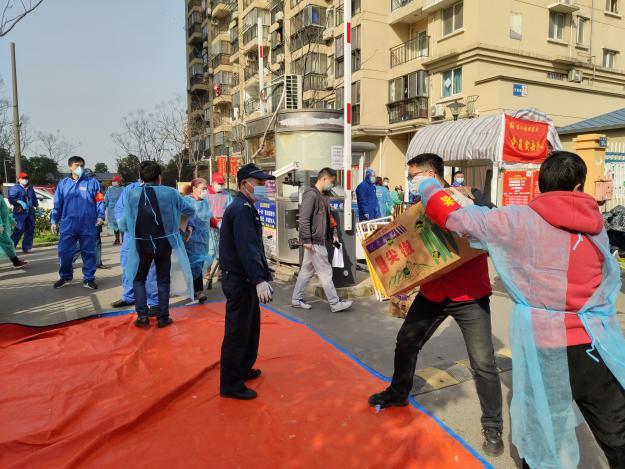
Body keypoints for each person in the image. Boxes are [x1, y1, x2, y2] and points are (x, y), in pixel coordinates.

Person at [414, 151, 625, 469]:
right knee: (616, 432)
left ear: (541, 186)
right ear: (579, 188)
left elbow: (453, 218)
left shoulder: (514, 221)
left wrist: (428, 184)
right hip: (596, 347)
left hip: (544, 350)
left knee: (541, 437)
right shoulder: (596, 227)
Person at [368, 153, 504, 457]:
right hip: (433, 292)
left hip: (470, 296)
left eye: (415, 176)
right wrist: (400, 287)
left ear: (431, 173)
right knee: (406, 341)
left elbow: (492, 226)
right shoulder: (420, 208)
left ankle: (493, 426)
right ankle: (398, 392)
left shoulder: (467, 200)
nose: (413, 182)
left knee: (483, 363)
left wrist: (480, 200)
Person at [219, 163, 275, 400]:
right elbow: (247, 249)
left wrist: (263, 273)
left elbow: (254, 247)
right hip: (240, 280)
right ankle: (231, 383)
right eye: (259, 183)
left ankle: (243, 367)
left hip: (245, 279)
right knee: (237, 331)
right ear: (244, 184)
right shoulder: (241, 209)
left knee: (250, 328)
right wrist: (259, 278)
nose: (263, 187)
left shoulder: (246, 206)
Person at [119, 160, 195, 329]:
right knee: (163, 279)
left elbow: (123, 224)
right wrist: (179, 224)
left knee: (138, 279)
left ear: (140, 177)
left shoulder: (132, 194)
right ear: (159, 177)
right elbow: (190, 210)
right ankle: (163, 317)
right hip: (165, 242)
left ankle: (142, 317)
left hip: (141, 244)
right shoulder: (171, 193)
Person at [291, 168, 353, 313]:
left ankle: (296, 299)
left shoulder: (322, 195)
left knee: (306, 271)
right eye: (331, 181)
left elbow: (327, 218)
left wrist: (334, 234)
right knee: (325, 272)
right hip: (314, 241)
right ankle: (334, 303)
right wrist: (307, 239)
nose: (332, 185)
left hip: (315, 240)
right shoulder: (311, 195)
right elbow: (304, 218)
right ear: (324, 179)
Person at [51, 156, 105, 289]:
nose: (79, 168)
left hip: (88, 223)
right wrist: (54, 220)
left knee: (89, 252)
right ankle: (65, 276)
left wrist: (101, 216)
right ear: (70, 167)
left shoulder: (92, 182)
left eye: (82, 165)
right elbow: (57, 204)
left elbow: (100, 200)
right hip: (68, 223)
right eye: (76, 165)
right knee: (64, 252)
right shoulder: (63, 184)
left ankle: (89, 278)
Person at [111, 177, 159, 313]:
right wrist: (125, 224)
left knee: (151, 269)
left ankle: (154, 302)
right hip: (131, 235)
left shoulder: (160, 190)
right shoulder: (130, 189)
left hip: (150, 235)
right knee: (128, 266)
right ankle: (129, 296)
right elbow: (119, 209)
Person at [183, 178, 215, 304]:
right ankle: (195, 290)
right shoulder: (186, 201)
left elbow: (210, 217)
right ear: (194, 189)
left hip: (203, 238)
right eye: (203, 188)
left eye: (206, 188)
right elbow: (181, 217)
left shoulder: (206, 202)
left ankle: (197, 290)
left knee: (200, 263)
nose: (205, 191)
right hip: (189, 239)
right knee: (191, 264)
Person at [0, 177, 27, 268]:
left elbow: (4, 212)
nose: (2, 187)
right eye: (1, 185)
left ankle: (15, 261)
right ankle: (15, 261)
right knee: (8, 243)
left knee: (7, 244)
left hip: (2, 225)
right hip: (1, 227)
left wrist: (12, 221)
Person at [8, 172, 38, 254]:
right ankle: (11, 247)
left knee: (30, 230)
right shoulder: (15, 188)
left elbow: (34, 198)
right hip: (20, 212)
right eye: (23, 178)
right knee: (19, 229)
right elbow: (11, 198)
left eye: (26, 178)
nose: (25, 179)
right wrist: (19, 201)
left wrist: (37, 206)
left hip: (30, 212)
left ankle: (27, 247)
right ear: (19, 179)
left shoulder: (30, 188)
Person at [104, 175, 124, 245]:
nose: (114, 182)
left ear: (119, 182)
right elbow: (105, 200)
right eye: (113, 181)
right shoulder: (109, 190)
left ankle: (123, 239)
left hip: (121, 209)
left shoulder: (124, 189)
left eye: (115, 181)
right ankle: (117, 239)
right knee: (115, 226)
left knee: (121, 225)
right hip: (112, 210)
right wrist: (102, 209)